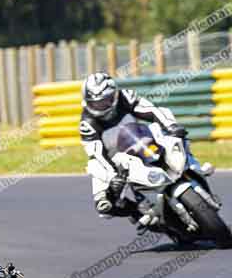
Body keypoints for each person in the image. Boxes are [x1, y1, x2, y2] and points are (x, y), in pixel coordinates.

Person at [80, 72, 213, 227]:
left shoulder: (125, 97)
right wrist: (112, 177)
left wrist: (172, 126)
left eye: (105, 101)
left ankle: (194, 168)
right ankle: (138, 212)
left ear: (114, 95)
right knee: (104, 207)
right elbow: (97, 155)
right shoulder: (87, 124)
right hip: (116, 160)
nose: (101, 105)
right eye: (96, 103)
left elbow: (153, 110)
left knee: (175, 139)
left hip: (141, 139)